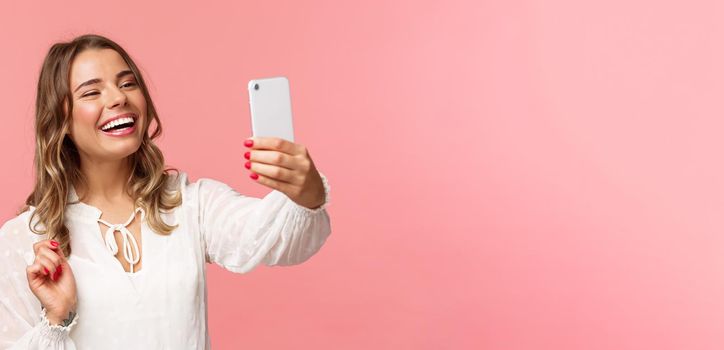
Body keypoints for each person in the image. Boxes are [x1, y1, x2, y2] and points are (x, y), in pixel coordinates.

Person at [0, 34, 331, 349]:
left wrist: (308, 191)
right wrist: (58, 319)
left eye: (128, 83)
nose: (118, 98)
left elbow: (277, 239)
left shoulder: (190, 204)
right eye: (91, 92)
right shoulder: (26, 240)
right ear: (61, 118)